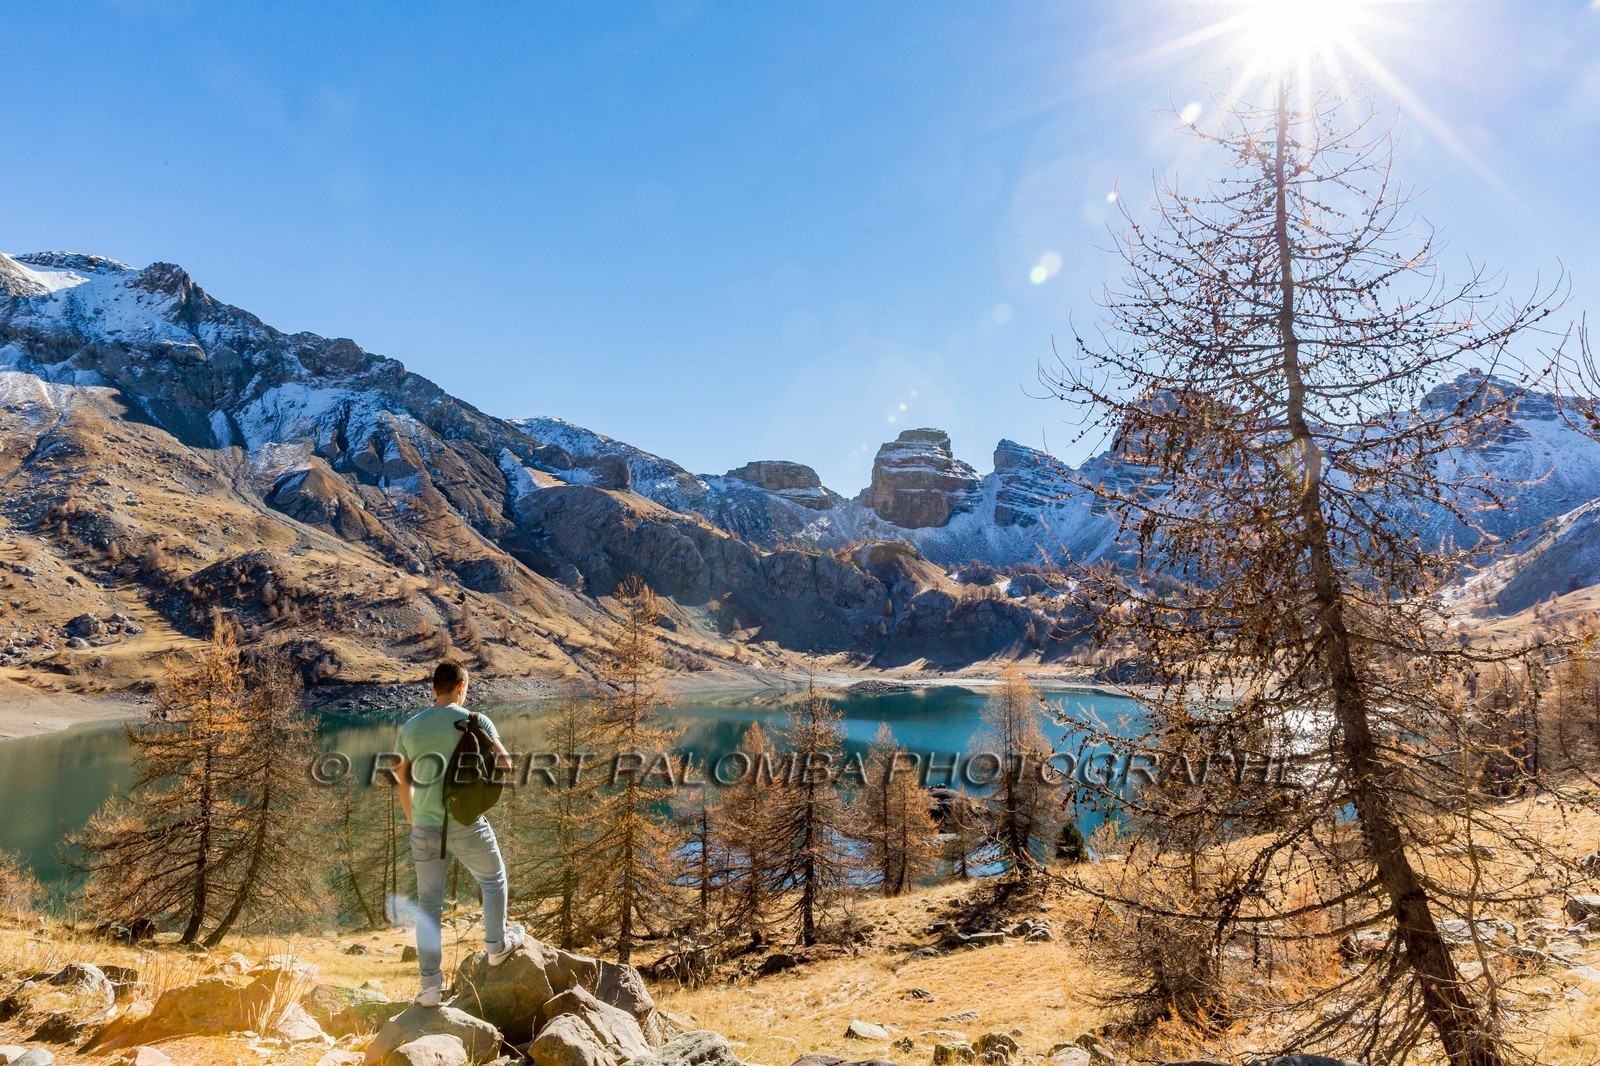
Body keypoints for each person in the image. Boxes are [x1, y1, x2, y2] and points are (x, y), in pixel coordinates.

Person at [396, 660, 525, 1006]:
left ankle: (430, 988)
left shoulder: (410, 727)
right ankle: (496, 947)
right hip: (466, 823)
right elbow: (505, 763)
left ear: (433, 688)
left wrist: (413, 818)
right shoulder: (476, 720)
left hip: (424, 827)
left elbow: (401, 779)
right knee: (493, 880)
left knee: (428, 906)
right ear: (462, 687)